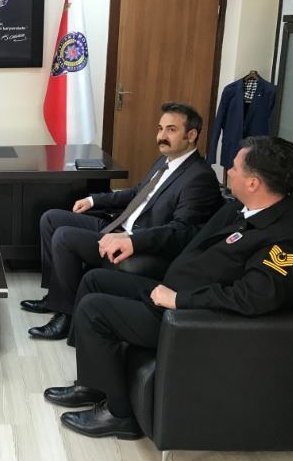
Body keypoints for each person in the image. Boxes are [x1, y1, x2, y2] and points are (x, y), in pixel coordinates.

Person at [46, 136, 293, 440]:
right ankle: (94, 385)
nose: (228, 172)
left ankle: (119, 415)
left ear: (254, 183)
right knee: (94, 280)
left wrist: (181, 300)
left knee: (95, 309)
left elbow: (254, 296)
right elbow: (190, 237)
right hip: (172, 290)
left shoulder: (291, 238)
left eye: (234, 168)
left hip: (193, 318)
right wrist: (135, 242)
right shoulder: (243, 207)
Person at [24, 102, 222, 340]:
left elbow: (181, 231)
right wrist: (94, 200)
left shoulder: (199, 177)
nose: (161, 136)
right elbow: (138, 192)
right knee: (51, 219)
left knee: (65, 237)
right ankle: (56, 297)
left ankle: (66, 316)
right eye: (160, 129)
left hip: (138, 242)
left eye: (171, 130)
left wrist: (132, 239)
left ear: (192, 135)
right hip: (120, 225)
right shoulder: (165, 161)